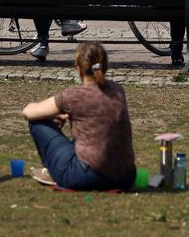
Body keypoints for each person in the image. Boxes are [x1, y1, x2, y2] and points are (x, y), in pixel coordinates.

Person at [22, 42, 136, 190]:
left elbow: (28, 112)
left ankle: (53, 171)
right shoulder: (118, 90)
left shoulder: (74, 96)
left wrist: (57, 113)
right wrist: (69, 114)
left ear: (78, 68)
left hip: (86, 175)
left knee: (37, 122)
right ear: (105, 66)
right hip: (126, 176)